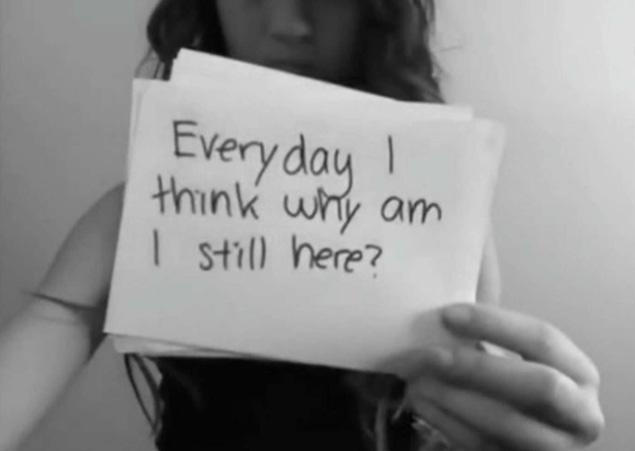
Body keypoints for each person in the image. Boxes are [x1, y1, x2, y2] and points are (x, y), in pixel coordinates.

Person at [0, 1, 604, 450]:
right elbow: (53, 327)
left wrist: (516, 428)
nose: (289, 22)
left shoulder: (441, 215)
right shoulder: (143, 213)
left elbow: (465, 403)